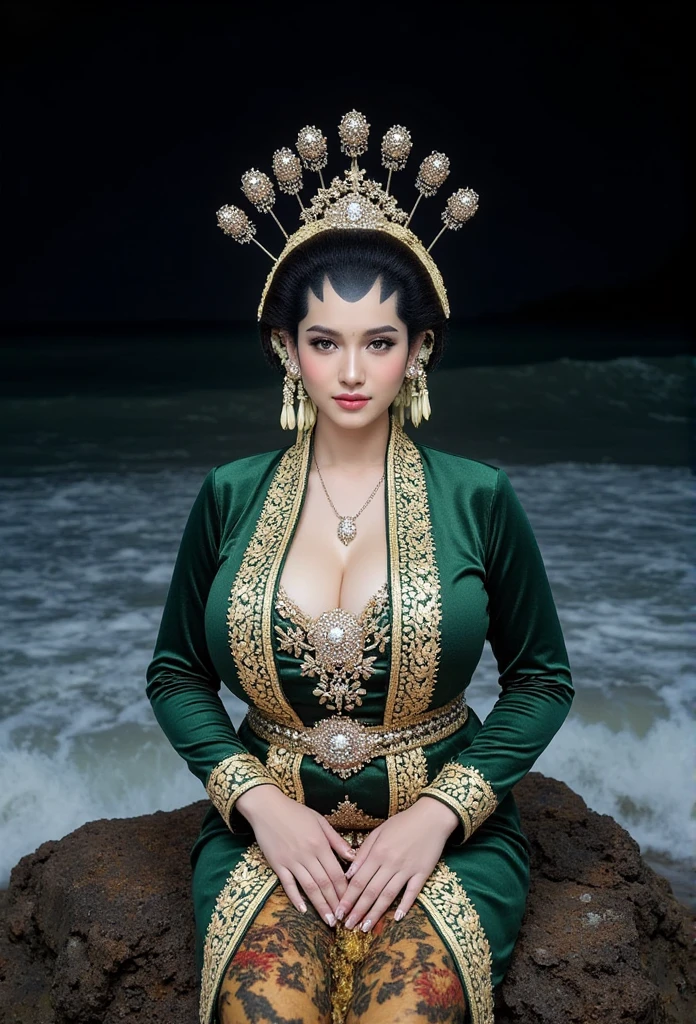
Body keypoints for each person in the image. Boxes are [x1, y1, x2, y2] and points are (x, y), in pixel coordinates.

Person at [145, 112, 574, 1024]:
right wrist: (257, 801)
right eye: (324, 341)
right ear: (285, 350)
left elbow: (540, 680)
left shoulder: (477, 497)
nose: (351, 370)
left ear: (417, 350)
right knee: (265, 1012)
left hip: (449, 835)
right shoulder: (228, 495)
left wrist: (441, 815)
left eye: (379, 342)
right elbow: (177, 672)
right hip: (272, 834)